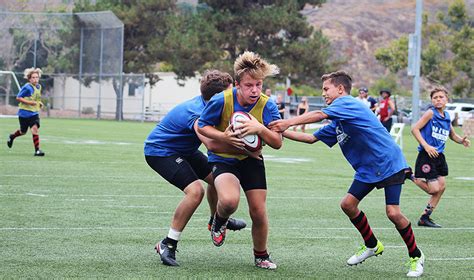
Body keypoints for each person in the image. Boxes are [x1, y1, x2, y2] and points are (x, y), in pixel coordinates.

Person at [269, 71, 424, 277]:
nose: (323, 93)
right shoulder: (339, 120)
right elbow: (310, 139)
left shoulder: (348, 103)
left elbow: (319, 114)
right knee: (348, 205)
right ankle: (372, 245)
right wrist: (275, 130)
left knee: (393, 213)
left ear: (340, 89)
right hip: (367, 169)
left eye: (326, 89)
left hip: (388, 162)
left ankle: (416, 256)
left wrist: (286, 122)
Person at [144, 70, 247, 267]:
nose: (233, 96)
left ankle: (217, 220)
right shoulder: (197, 112)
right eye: (229, 92)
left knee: (218, 178)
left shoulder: (211, 103)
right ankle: (168, 243)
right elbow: (211, 144)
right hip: (160, 151)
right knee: (195, 192)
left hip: (185, 150)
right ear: (218, 96)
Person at [197, 51, 282, 270]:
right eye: (249, 85)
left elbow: (277, 142)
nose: (254, 90)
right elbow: (202, 126)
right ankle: (219, 219)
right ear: (237, 84)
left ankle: (261, 256)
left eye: (258, 85)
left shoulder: (268, 105)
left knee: (258, 211)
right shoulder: (221, 100)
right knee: (229, 202)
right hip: (223, 158)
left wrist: (259, 128)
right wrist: (223, 136)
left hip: (251, 158)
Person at [411, 87, 471, 228]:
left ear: (446, 100)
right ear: (432, 100)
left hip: (439, 157)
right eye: (435, 97)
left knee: (441, 187)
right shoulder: (430, 113)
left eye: (441, 97)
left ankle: (425, 217)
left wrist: (461, 140)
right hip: (427, 155)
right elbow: (414, 129)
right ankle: (409, 175)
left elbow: (452, 135)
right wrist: (426, 146)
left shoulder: (447, 116)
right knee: (433, 189)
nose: (438, 99)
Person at [7, 68, 45, 156]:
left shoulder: (39, 87)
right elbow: (18, 97)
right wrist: (31, 103)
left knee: (34, 130)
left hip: (34, 114)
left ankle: (37, 151)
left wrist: (40, 103)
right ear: (29, 79)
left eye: (37, 77)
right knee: (23, 132)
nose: (35, 79)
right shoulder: (27, 87)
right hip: (24, 114)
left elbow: (36, 99)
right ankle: (12, 136)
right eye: (33, 78)